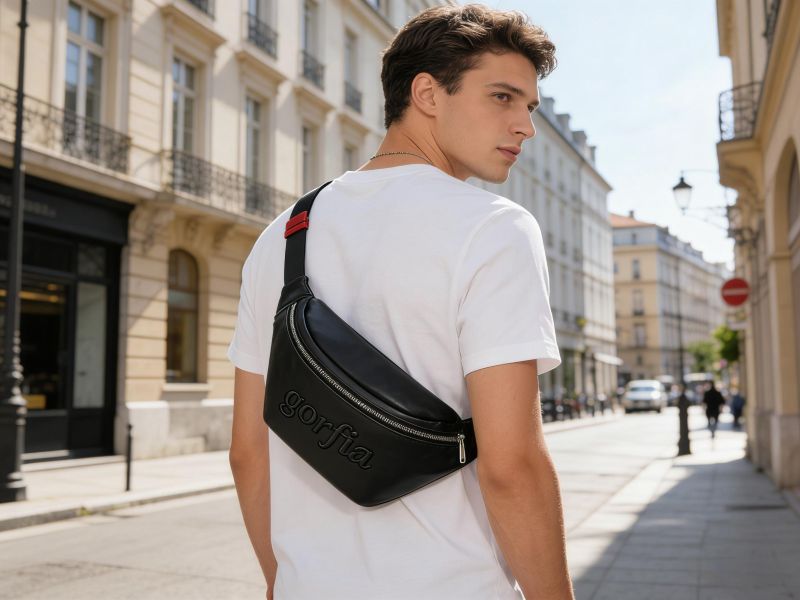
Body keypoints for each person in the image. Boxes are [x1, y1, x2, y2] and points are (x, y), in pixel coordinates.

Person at [227, 5, 573, 599]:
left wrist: (281, 584)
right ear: (427, 93)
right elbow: (510, 464)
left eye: (530, 107)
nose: (525, 126)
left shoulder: (285, 233)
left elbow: (247, 451)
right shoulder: (493, 227)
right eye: (502, 98)